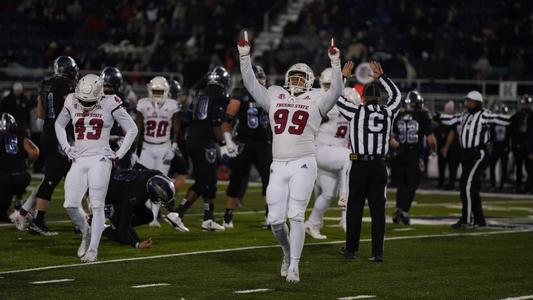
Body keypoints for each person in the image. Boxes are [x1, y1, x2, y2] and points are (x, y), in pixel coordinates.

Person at [238, 33, 343, 282]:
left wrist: (335, 63)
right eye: (293, 77)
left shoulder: (317, 97)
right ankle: (286, 252)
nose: (296, 81)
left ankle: (295, 266)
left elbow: (337, 90)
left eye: (300, 77)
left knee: (296, 215)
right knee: (275, 221)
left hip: (304, 162)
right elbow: (251, 84)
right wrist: (244, 57)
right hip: (278, 164)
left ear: (309, 81)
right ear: (287, 79)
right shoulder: (275, 93)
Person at [55, 74, 138, 263]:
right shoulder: (71, 99)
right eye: (82, 100)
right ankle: (86, 231)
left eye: (89, 100)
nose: (84, 104)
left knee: (97, 204)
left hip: (100, 159)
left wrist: (119, 154)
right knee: (70, 203)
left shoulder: (111, 102)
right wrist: (67, 147)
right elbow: (59, 124)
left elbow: (132, 128)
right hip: (80, 157)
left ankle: (93, 249)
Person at [336, 61, 401, 262]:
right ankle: (377, 253)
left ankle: (351, 249)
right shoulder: (388, 112)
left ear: (363, 98)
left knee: (354, 209)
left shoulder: (355, 112)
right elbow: (397, 96)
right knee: (378, 212)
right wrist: (381, 76)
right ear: (380, 98)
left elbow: (336, 98)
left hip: (359, 165)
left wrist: (343, 76)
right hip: (379, 166)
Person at [165, 66, 237, 232]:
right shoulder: (221, 95)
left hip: (193, 138)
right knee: (204, 180)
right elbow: (216, 121)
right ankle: (177, 213)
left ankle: (208, 219)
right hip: (206, 141)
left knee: (210, 181)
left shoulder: (199, 93)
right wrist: (224, 142)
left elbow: (188, 117)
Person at [15, 56, 78, 235]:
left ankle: (27, 214)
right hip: (62, 135)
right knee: (55, 178)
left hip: (48, 133)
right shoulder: (69, 87)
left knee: (66, 177)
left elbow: (40, 113)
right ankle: (38, 220)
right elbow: (73, 108)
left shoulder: (46, 84)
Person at [439, 91, 510, 228]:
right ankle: (479, 220)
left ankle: (467, 220)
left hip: (479, 153)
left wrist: (515, 118)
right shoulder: (465, 115)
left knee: (465, 184)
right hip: (466, 155)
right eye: (467, 101)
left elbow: (500, 118)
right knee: (473, 188)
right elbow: (451, 119)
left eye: (471, 101)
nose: (468, 103)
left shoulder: (484, 114)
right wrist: (434, 117)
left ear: (477, 102)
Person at [304, 65, 360, 239]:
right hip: (322, 150)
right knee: (350, 158)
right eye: (326, 85)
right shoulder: (327, 105)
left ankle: (311, 224)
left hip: (331, 155)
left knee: (327, 194)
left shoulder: (350, 112)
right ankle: (344, 210)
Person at [221, 64, 272, 229]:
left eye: (261, 78)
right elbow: (227, 119)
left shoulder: (269, 94)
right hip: (245, 141)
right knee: (237, 178)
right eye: (256, 79)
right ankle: (227, 215)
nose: (259, 82)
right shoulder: (241, 94)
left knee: (269, 180)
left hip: (264, 143)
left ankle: (269, 216)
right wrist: (228, 140)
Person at [135, 76, 180, 227]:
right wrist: (135, 150)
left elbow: (176, 128)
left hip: (164, 147)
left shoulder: (172, 105)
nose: (158, 93)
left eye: (160, 91)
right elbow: (138, 128)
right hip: (147, 147)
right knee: (142, 181)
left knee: (160, 182)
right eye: (155, 90)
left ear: (166, 91)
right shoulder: (143, 103)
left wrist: (173, 147)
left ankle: (154, 217)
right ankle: (145, 213)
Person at [390, 90, 437, 225]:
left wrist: (398, 147)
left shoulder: (398, 115)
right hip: (414, 154)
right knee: (411, 185)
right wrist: (433, 152)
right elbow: (431, 140)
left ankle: (398, 209)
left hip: (399, 155)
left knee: (401, 185)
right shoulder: (423, 114)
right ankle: (404, 211)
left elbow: (390, 138)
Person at [103, 168, 175, 249]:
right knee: (126, 236)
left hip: (122, 189)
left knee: (148, 217)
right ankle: (100, 227)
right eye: (159, 197)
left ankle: (117, 224)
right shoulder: (135, 197)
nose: (159, 200)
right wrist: (137, 244)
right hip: (108, 196)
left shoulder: (155, 176)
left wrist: (173, 210)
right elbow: (123, 230)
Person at [1, 113, 39, 221]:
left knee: (2, 213)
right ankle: (19, 204)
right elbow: (34, 153)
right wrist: (28, 164)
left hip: (4, 181)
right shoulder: (21, 133)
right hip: (23, 178)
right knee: (18, 174)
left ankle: (18, 215)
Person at [101, 66, 133, 169]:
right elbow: (127, 128)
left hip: (99, 139)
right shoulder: (121, 98)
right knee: (125, 171)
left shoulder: (96, 97)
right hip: (117, 140)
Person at [166, 79, 189, 206]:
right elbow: (183, 124)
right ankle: (167, 198)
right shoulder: (175, 108)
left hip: (152, 144)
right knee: (182, 172)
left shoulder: (154, 105)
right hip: (171, 144)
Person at [509, 95, 532, 193]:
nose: (525, 105)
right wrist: (514, 145)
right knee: (518, 168)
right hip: (518, 146)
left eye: (526, 103)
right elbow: (512, 131)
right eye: (523, 103)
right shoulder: (516, 116)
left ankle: (528, 187)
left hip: (528, 146)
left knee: (530, 169)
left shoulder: (531, 116)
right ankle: (518, 187)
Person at [489, 105, 510, 191]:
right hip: (496, 146)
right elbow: (490, 134)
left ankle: (502, 183)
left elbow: (509, 136)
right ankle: (493, 184)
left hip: (503, 146)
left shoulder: (507, 123)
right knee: (492, 165)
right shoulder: (494, 123)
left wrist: (508, 147)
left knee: (504, 166)